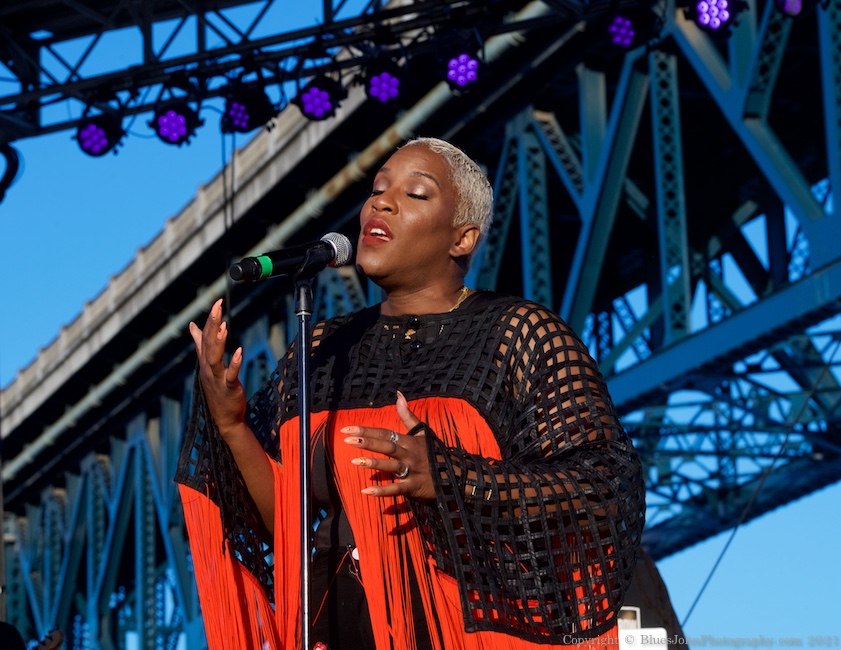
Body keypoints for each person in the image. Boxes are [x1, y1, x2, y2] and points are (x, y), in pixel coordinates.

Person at [176, 137, 645, 650]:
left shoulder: (517, 333)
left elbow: (601, 488)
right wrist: (231, 424)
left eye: (415, 193)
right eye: (377, 189)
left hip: (460, 627)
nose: (382, 202)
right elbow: (285, 524)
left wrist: (452, 478)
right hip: (332, 623)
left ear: (463, 238)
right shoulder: (321, 348)